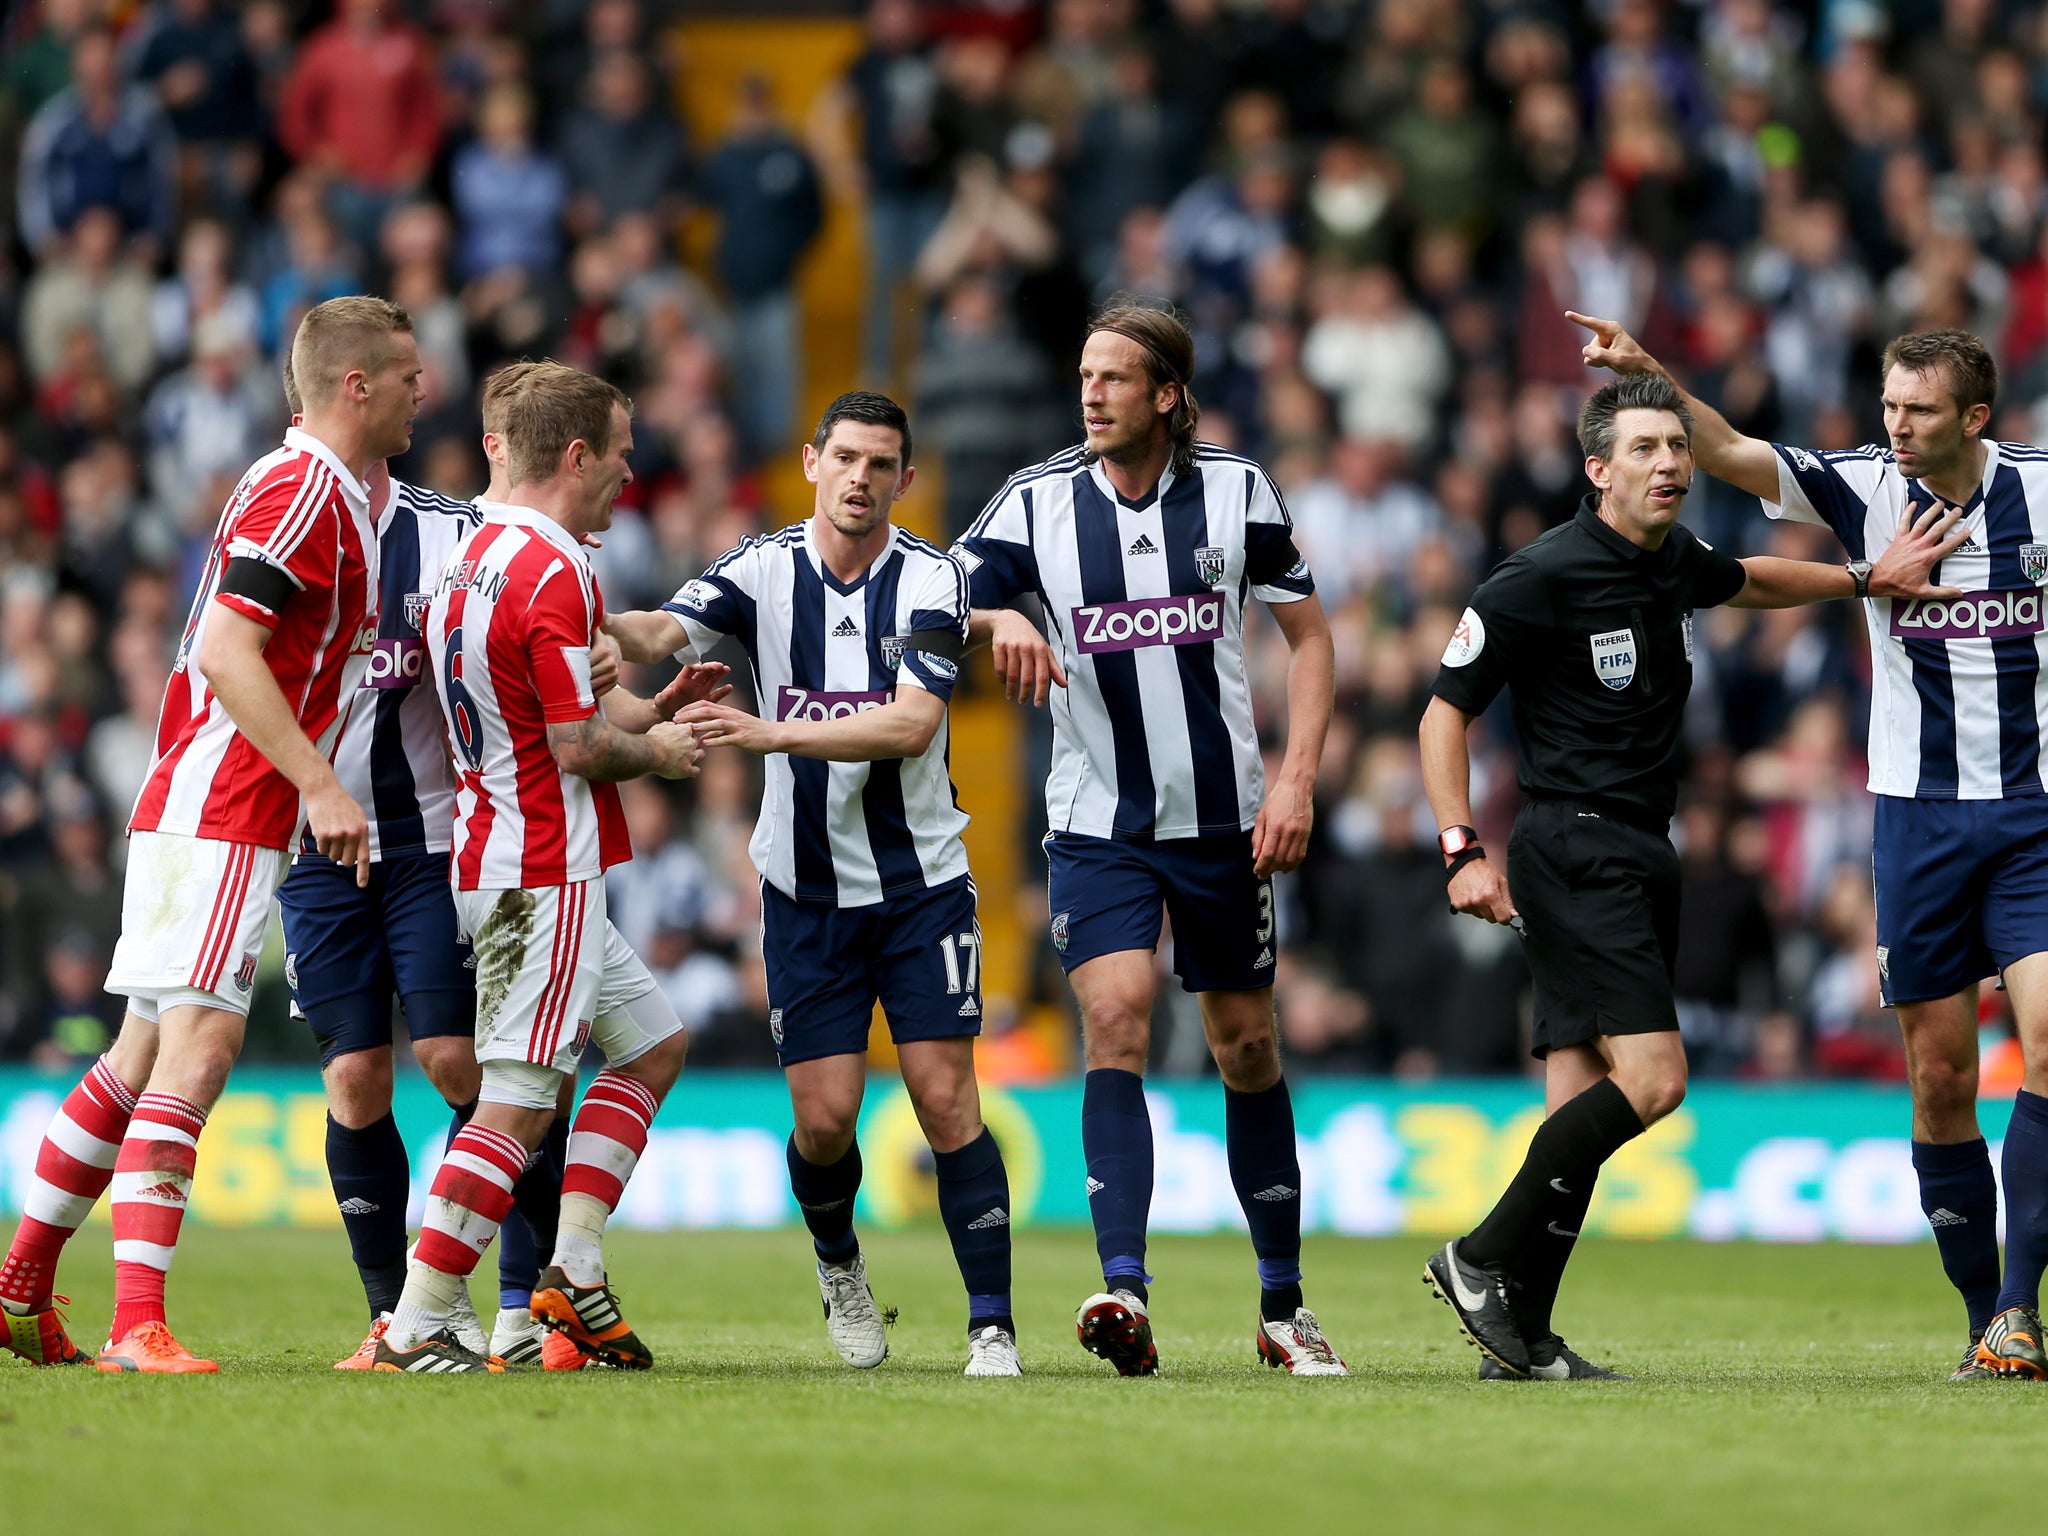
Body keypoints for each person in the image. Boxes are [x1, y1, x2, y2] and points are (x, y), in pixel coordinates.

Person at [1418, 371, 1963, 1380]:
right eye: (1643, 449)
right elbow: (1442, 711)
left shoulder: (1669, 561)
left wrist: (1860, 581)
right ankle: (1479, 1255)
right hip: (1572, 843)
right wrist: (1457, 847)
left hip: (1637, 845)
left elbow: (1748, 576)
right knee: (1654, 1081)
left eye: (1676, 446)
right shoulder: (1533, 577)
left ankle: (1519, 1335)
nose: (1669, 463)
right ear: (1595, 470)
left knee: (1574, 1099)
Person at [1571, 312, 2048, 1381]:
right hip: (1915, 821)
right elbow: (1733, 453)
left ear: (1973, 416)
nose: (1895, 426)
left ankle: (2019, 1305)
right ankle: (1983, 1318)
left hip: (2033, 815)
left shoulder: (2039, 488)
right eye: (1886, 405)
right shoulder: (1861, 483)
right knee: (1936, 1078)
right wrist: (1652, 371)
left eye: (1917, 411)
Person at [0, 295, 423, 1371]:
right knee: (199, 1050)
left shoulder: (336, 495)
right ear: (355, 384)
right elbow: (232, 650)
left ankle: (20, 1284)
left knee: (141, 1053)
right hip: (227, 804)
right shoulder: (300, 490)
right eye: (408, 375)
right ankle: (136, 1323)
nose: (427, 390)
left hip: (204, 802)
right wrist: (321, 783)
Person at [958, 298, 1348, 1378]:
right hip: (1099, 825)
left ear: (1166, 395)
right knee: (1116, 1016)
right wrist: (1005, 618)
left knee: (1245, 1046)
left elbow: (1309, 643)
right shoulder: (1033, 504)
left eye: (1115, 378)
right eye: (1084, 375)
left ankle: (1282, 1308)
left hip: (1226, 821)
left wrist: (1295, 783)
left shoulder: (1237, 490)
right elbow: (933, 600)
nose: (1090, 393)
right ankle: (1122, 1289)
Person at [606, 391, 1023, 1378]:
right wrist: (595, 627)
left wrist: (769, 732)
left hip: (920, 886)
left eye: (880, 464)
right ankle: (839, 1265)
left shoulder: (930, 580)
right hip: (802, 891)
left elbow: (910, 724)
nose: (859, 478)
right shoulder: (762, 568)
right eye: (844, 457)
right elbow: (666, 632)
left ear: (904, 481)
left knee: (944, 1097)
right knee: (824, 1119)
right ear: (810, 462)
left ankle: (991, 1326)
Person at [274, 359, 611, 1372]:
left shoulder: (453, 531)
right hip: (316, 847)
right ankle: (405, 1317)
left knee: (467, 1065)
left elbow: (529, 630)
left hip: (430, 841)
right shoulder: (278, 526)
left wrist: (592, 656)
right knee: (354, 1080)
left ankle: (523, 1299)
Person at [382, 362, 711, 1373]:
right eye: (617, 454)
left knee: (652, 1044)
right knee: (518, 1101)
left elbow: (542, 707)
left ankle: (571, 1269)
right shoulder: (558, 567)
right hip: (543, 862)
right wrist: (659, 752)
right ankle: (421, 1318)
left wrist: (644, 709)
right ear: (575, 455)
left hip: (491, 848)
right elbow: (574, 746)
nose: (626, 474)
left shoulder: (470, 554)